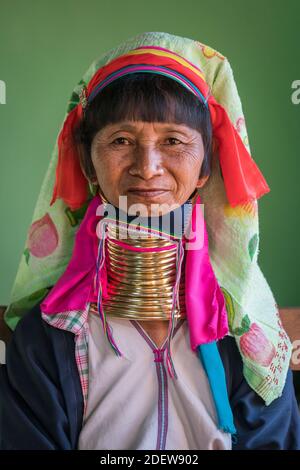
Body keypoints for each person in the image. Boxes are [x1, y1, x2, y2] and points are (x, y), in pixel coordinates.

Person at [1, 31, 300, 450]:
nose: (148, 167)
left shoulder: (251, 346)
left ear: (205, 167)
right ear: (89, 163)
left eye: (174, 141)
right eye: (121, 140)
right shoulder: (48, 341)